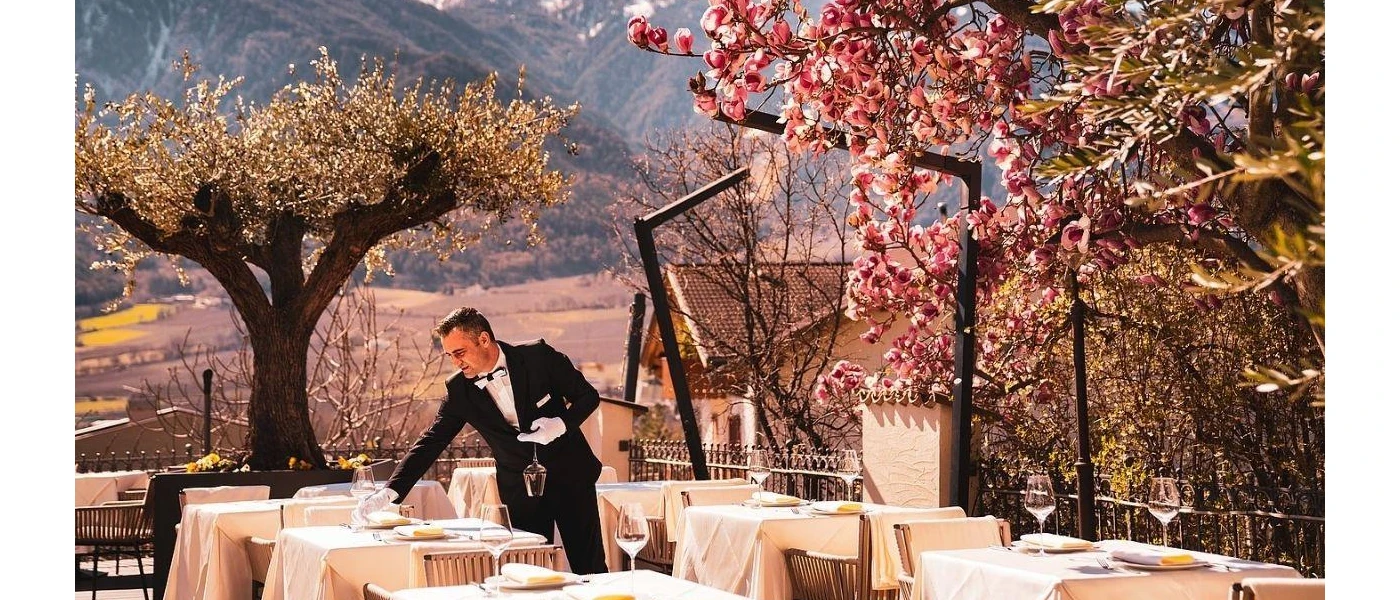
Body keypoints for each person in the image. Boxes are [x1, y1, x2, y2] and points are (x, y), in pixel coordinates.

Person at [356, 307, 608, 573]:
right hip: (519, 490)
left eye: (460, 353)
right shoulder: (459, 391)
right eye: (450, 355)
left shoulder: (538, 357)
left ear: (484, 339)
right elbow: (431, 442)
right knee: (529, 572)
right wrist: (389, 492)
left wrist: (560, 425)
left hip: (572, 476)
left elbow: (588, 397)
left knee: (589, 567)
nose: (455, 362)